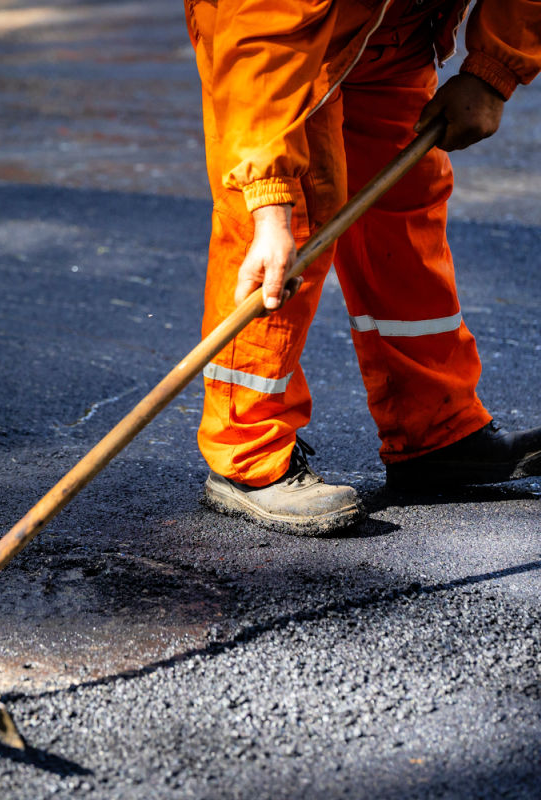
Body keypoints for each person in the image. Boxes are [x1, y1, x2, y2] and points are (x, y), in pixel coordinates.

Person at [183, 0, 541, 535]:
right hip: (280, 38)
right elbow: (260, 43)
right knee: (287, 226)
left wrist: (494, 70)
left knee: (405, 196)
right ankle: (246, 453)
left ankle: (435, 427)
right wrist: (269, 199)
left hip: (396, 26)